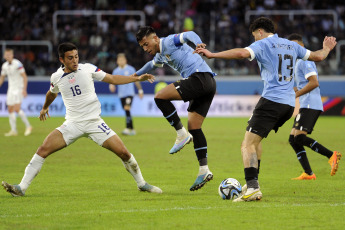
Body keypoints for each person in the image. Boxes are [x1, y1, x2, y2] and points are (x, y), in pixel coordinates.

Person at [195, 17, 337, 202]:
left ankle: (253, 188)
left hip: (271, 100)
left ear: (260, 32)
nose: (254, 41)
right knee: (256, 140)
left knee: (247, 144)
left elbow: (241, 54)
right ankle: (253, 182)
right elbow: (318, 56)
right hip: (288, 105)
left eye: (254, 36)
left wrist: (213, 55)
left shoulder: (263, 44)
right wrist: (327, 48)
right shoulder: (290, 45)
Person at [2, 42, 162, 197]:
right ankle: (21, 187)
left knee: (124, 153)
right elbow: (51, 93)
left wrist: (136, 79)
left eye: (76, 56)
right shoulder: (56, 77)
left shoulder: (88, 69)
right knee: (43, 149)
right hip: (72, 124)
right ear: (62, 60)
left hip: (94, 123)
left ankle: (141, 183)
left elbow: (112, 79)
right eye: (70, 58)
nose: (75, 60)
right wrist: (45, 107)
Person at [135, 26, 217, 191]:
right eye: (142, 47)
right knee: (194, 127)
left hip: (198, 77)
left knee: (159, 96)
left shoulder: (169, 41)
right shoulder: (159, 55)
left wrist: (198, 44)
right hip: (208, 83)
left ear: (155, 38)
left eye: (146, 44)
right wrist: (134, 76)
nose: (145, 48)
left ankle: (180, 134)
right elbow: (150, 65)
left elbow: (189, 34)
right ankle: (204, 170)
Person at [286, 33, 341, 180]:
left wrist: (295, 95)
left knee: (299, 138)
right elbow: (304, 85)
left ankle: (331, 155)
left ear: (300, 45)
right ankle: (309, 173)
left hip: (311, 104)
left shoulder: (305, 60)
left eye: (292, 46)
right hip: (306, 104)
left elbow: (314, 83)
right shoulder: (298, 61)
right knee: (293, 139)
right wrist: (292, 90)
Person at [0, 48, 32, 136]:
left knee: (17, 109)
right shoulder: (4, 66)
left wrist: (24, 89)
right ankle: (14, 130)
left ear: (12, 55)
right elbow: (2, 77)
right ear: (4, 56)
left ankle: (28, 126)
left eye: (9, 54)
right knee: (10, 108)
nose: (8, 56)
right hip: (11, 89)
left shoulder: (17, 64)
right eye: (6, 55)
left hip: (19, 88)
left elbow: (25, 77)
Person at [109, 53, 143, 136]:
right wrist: (111, 85)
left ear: (125, 60)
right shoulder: (116, 71)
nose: (121, 61)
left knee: (127, 108)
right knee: (126, 110)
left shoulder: (130, 69)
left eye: (122, 59)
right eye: (119, 60)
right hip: (121, 94)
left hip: (129, 93)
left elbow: (136, 80)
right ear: (117, 61)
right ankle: (132, 129)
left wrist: (140, 90)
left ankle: (127, 128)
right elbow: (112, 80)